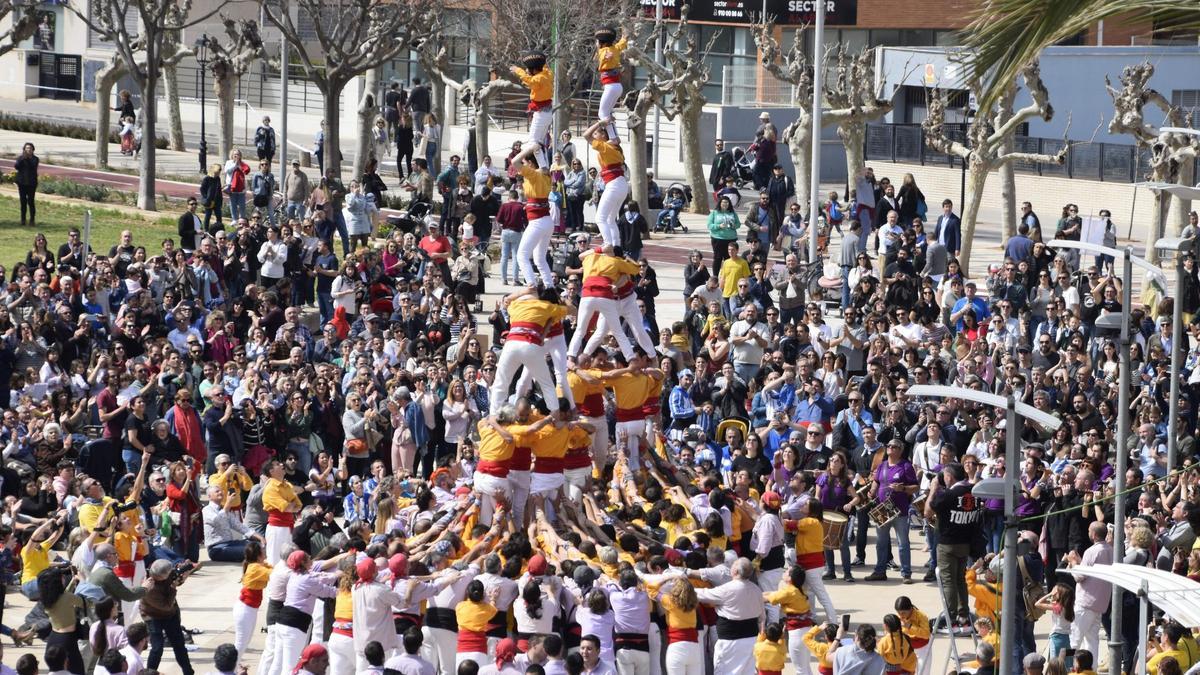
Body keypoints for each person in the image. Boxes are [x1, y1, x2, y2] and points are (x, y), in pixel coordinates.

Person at [584, 118, 629, 249]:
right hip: (621, 184)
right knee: (610, 219)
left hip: (614, 184)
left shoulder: (605, 147)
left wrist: (600, 123)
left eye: (596, 134)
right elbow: (614, 139)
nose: (594, 136)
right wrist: (610, 125)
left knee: (600, 218)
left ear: (603, 135)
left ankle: (608, 243)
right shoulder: (613, 146)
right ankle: (616, 245)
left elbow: (586, 135)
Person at [512, 52, 554, 168]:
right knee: (538, 142)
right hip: (546, 112)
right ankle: (543, 166)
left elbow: (529, 80)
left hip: (542, 113)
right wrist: (539, 59)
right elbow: (544, 67)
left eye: (528, 69)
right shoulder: (547, 74)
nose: (527, 71)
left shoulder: (538, 78)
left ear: (534, 70)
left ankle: (543, 166)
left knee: (533, 142)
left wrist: (517, 70)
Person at [594, 27, 627, 140]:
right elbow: (621, 44)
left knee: (602, 114)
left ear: (601, 42)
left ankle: (613, 137)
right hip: (617, 86)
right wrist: (624, 37)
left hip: (610, 86)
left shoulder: (604, 51)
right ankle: (615, 135)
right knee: (606, 113)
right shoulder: (615, 48)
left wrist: (606, 56)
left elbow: (604, 55)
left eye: (597, 41)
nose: (596, 43)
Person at [14, 142, 38, 228]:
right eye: (27, 148)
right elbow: (16, 166)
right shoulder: (21, 158)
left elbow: (32, 166)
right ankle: (23, 220)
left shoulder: (35, 159)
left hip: (31, 184)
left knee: (31, 202)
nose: (28, 149)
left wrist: (27, 159)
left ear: (33, 150)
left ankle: (32, 220)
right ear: (24, 149)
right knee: (23, 202)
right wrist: (22, 159)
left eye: (30, 148)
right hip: (22, 184)